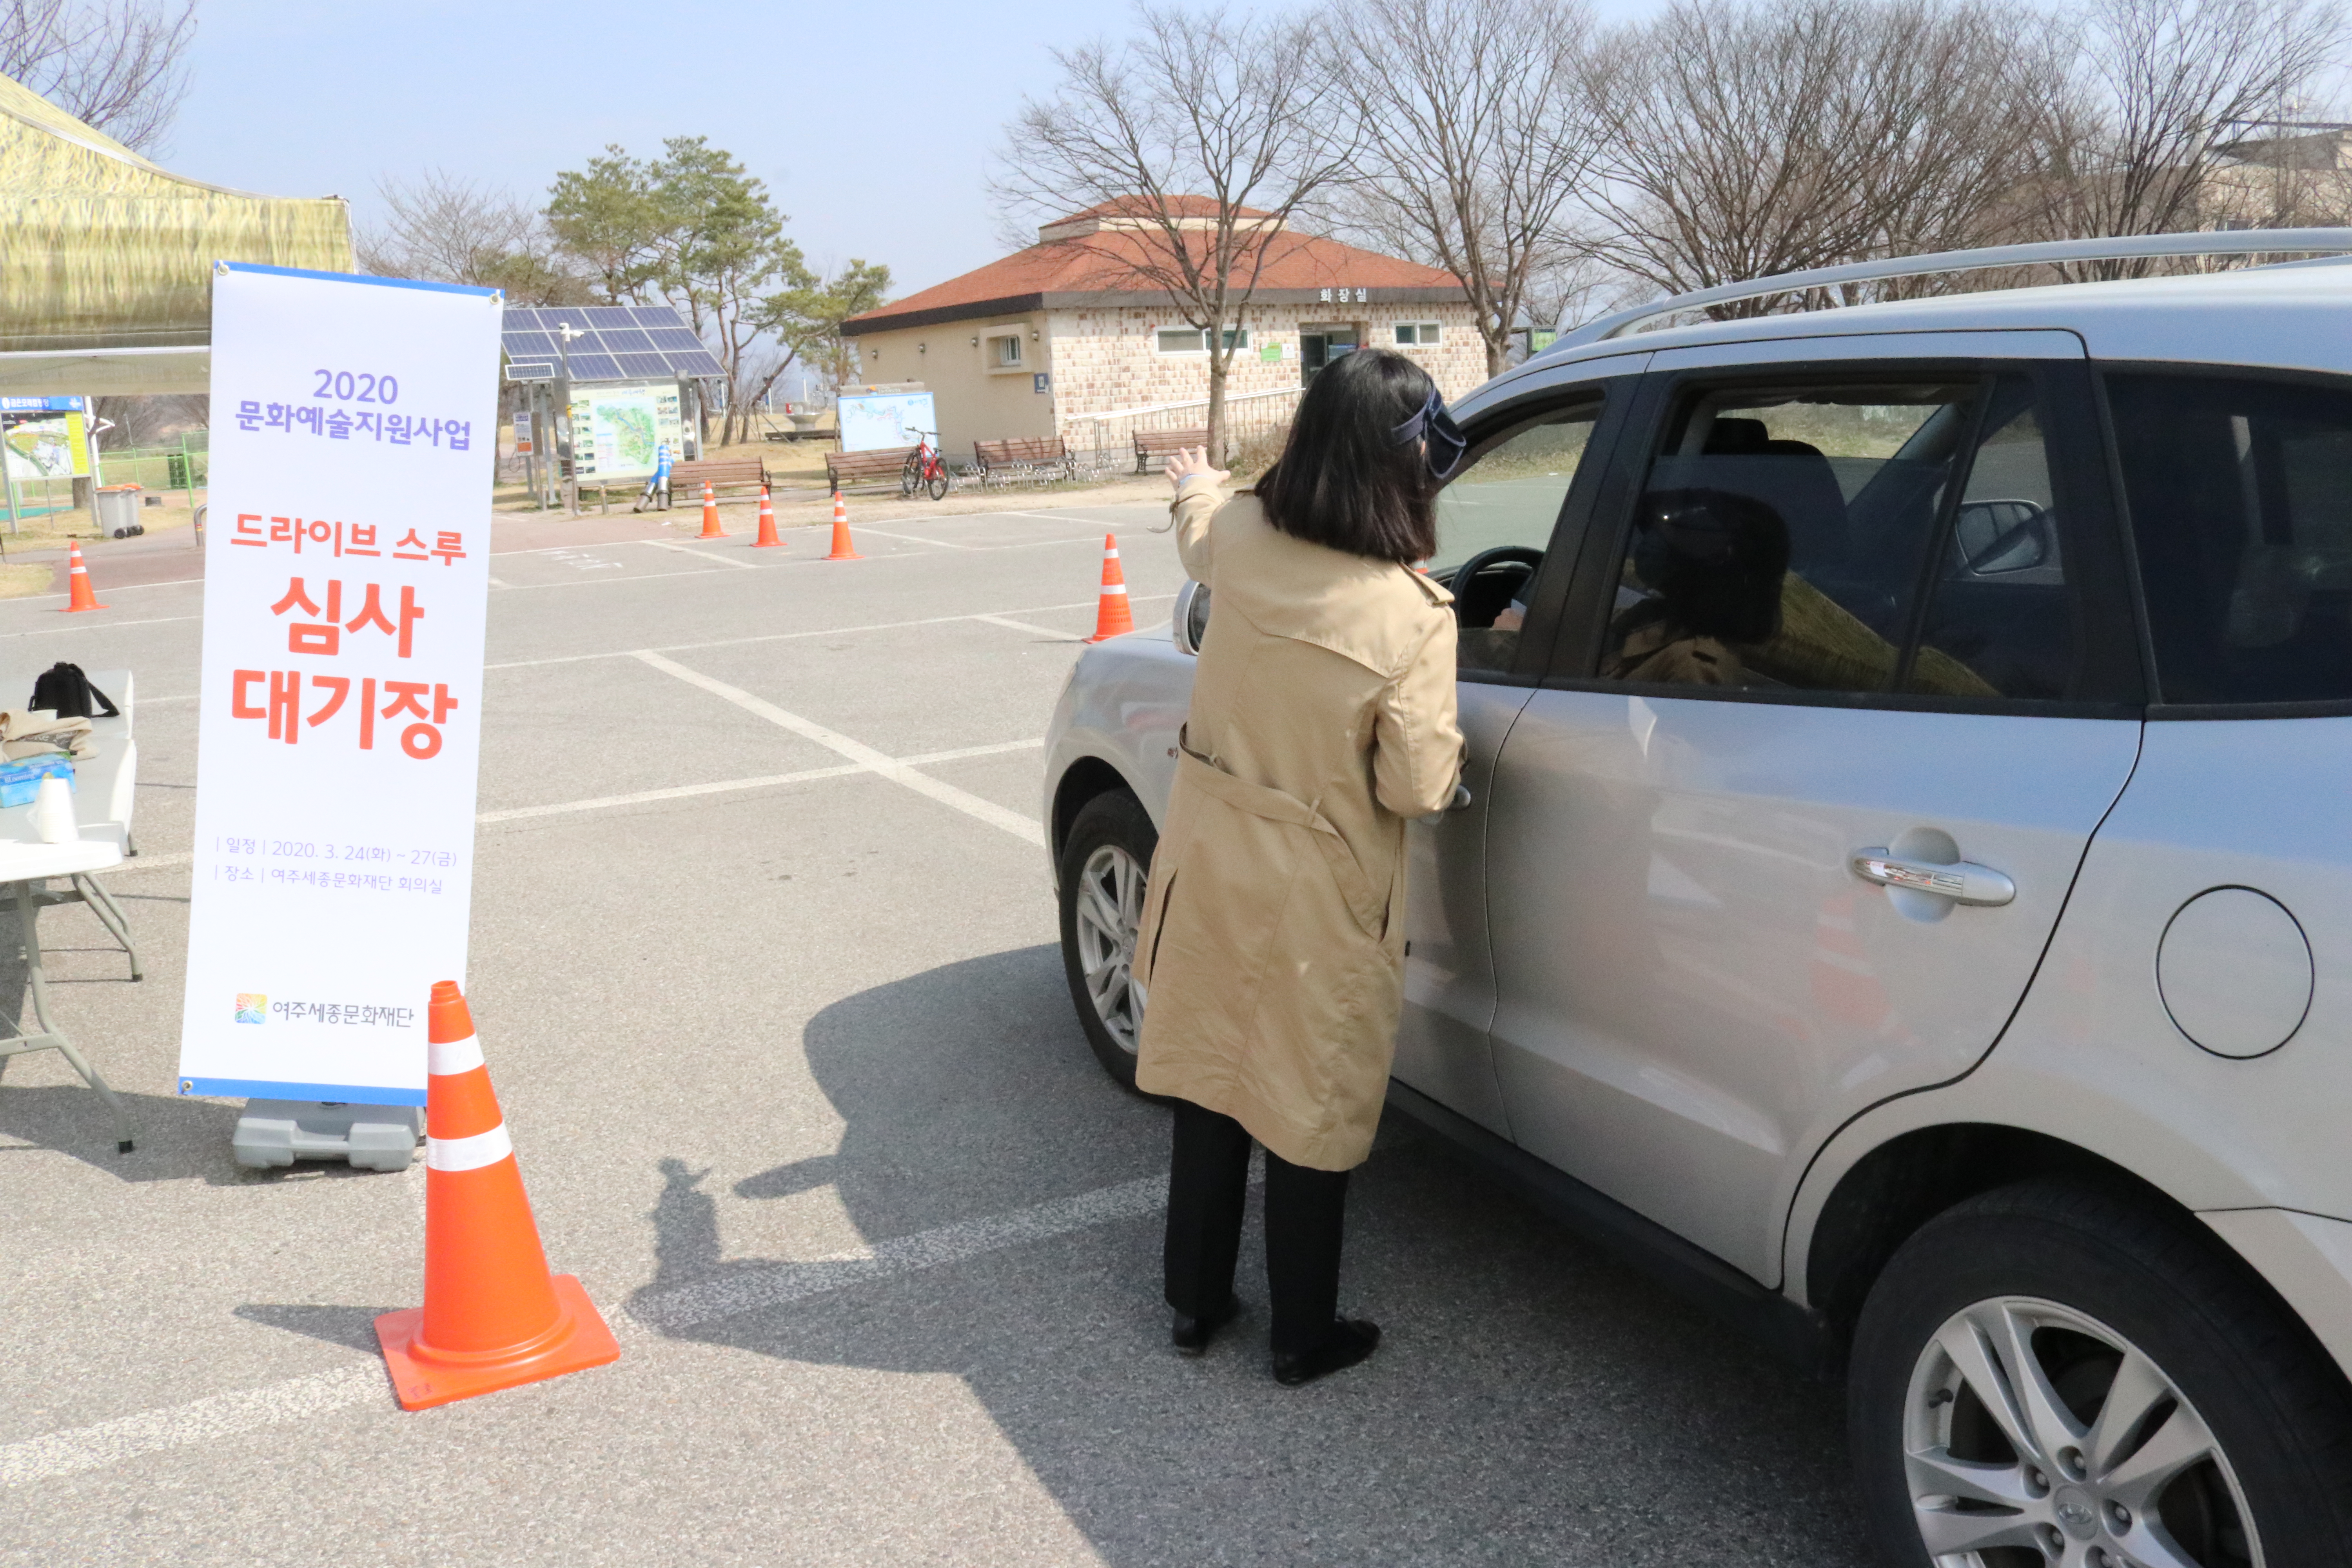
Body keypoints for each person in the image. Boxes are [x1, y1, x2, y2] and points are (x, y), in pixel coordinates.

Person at [1134, 349, 1466, 1386]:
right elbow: (1416, 786)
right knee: (1305, 1096)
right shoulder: (1410, 616)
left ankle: (1194, 1305)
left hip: (1211, 851)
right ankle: (1302, 1335)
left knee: (1208, 1079)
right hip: (1321, 889)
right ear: (1406, 471)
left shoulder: (1240, 537)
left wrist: (1195, 479)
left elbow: (1200, 533)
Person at [631, 440, 673, 513]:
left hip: (658, 482)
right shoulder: (669, 462)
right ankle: (662, 505)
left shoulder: (667, 463)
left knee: (659, 476)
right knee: (662, 475)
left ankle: (642, 505)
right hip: (663, 481)